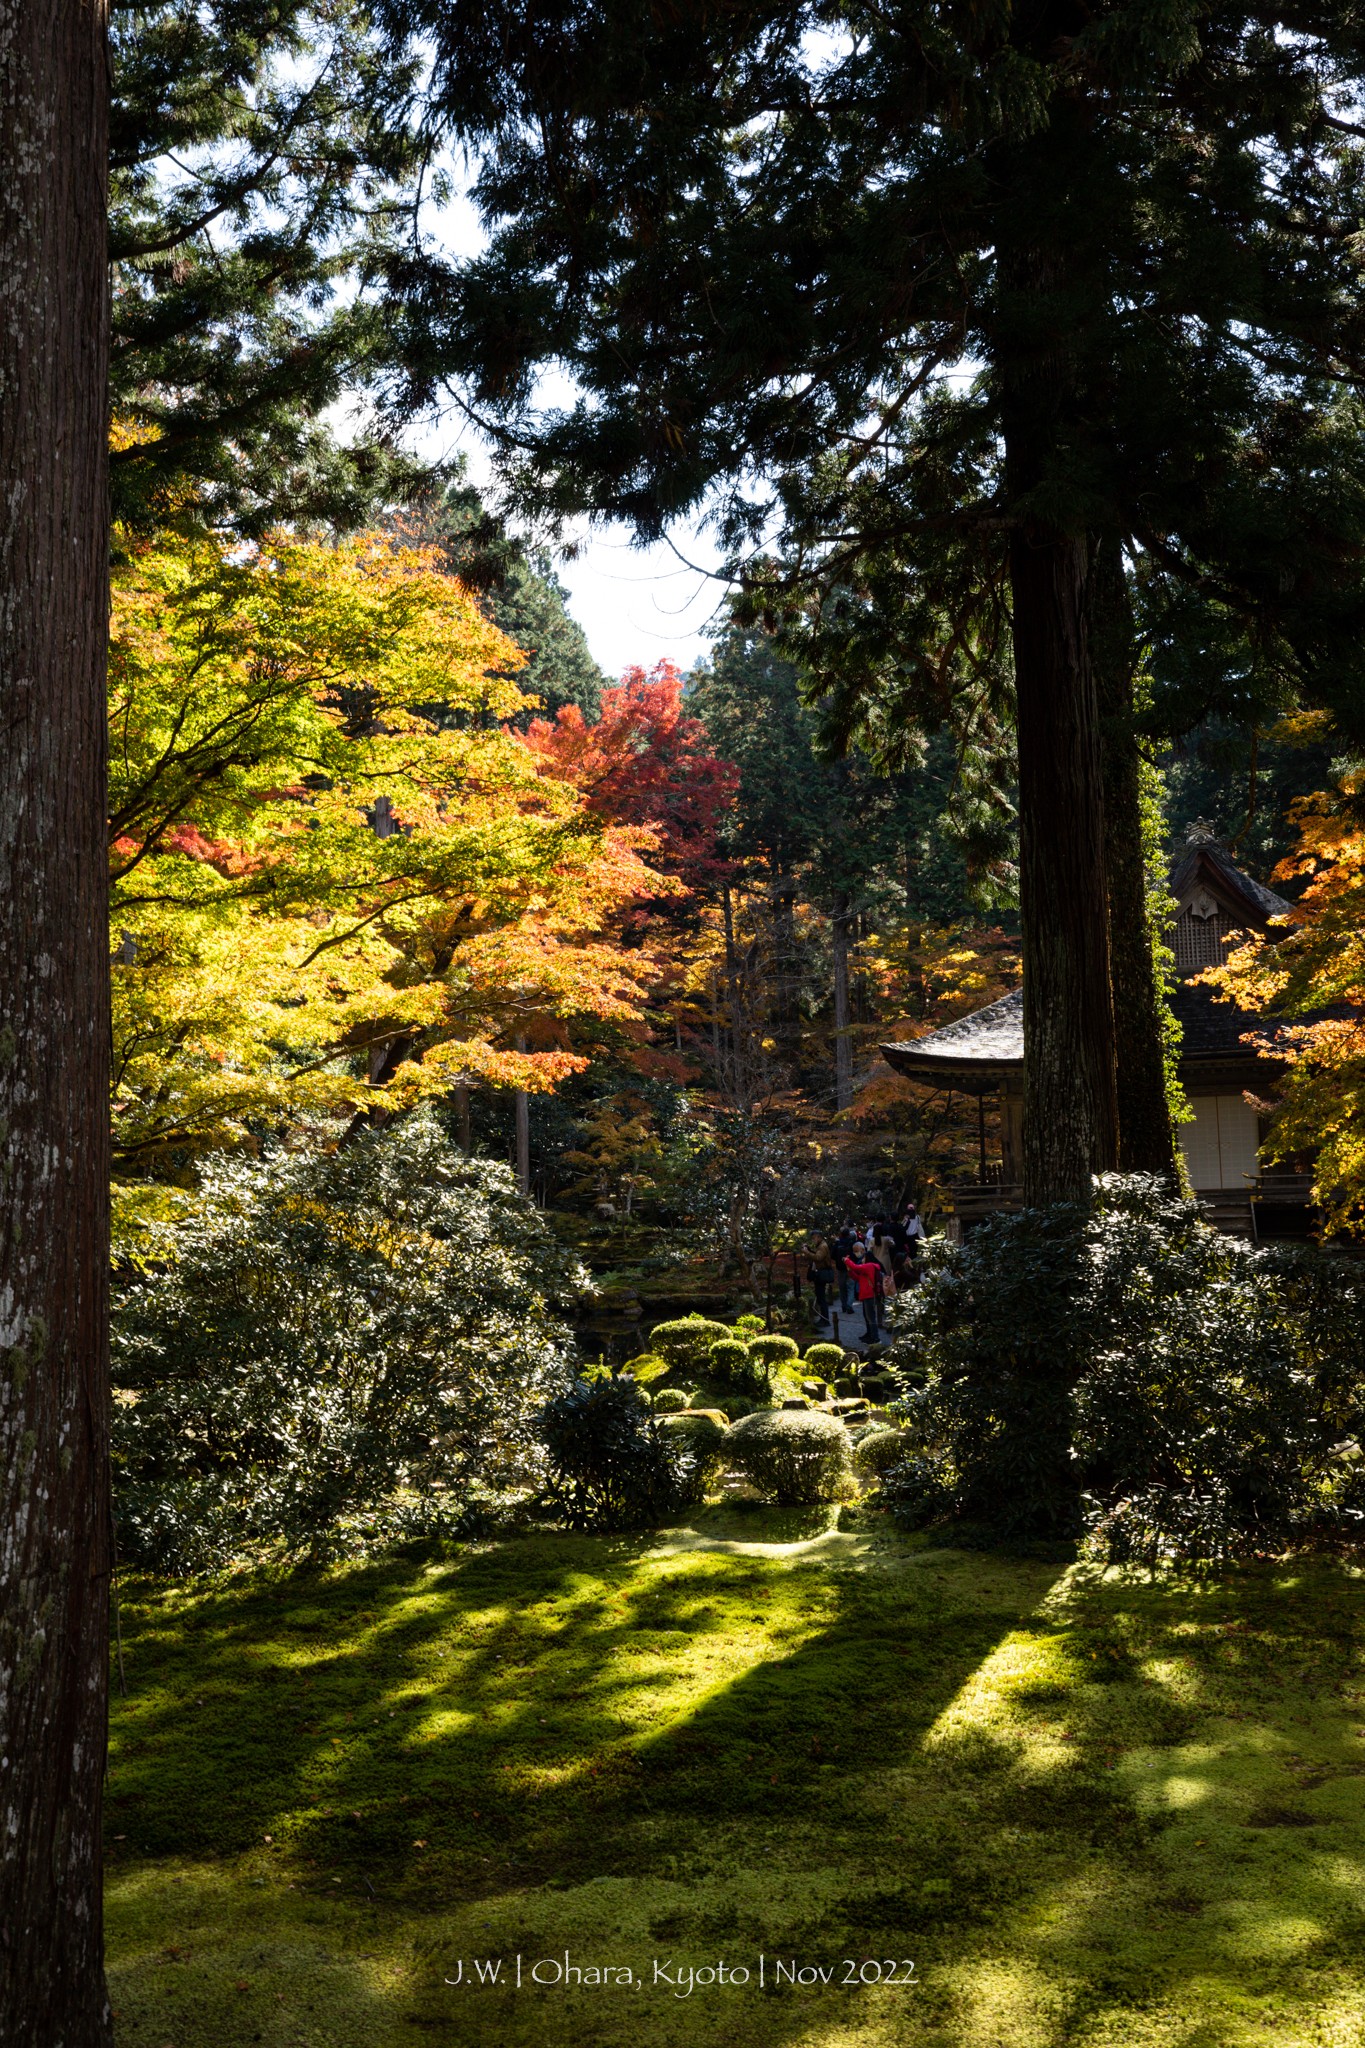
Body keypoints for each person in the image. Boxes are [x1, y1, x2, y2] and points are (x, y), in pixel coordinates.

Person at [843, 1242, 883, 1344]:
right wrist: (850, 1271)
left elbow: (856, 1267)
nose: (862, 1260)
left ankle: (875, 1337)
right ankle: (870, 1334)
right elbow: (857, 1278)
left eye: (864, 1258)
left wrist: (847, 1260)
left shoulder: (869, 1266)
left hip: (869, 1294)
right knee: (867, 1316)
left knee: (870, 1317)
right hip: (866, 1294)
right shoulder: (868, 1268)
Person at [804, 1230, 837, 1325]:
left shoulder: (822, 1246)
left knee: (821, 1297)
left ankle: (825, 1319)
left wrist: (807, 1252)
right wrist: (809, 1250)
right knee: (820, 1296)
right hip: (820, 1273)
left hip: (822, 1273)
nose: (813, 1240)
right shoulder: (820, 1245)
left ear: (818, 1237)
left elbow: (818, 1258)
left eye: (814, 1238)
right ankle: (823, 1318)